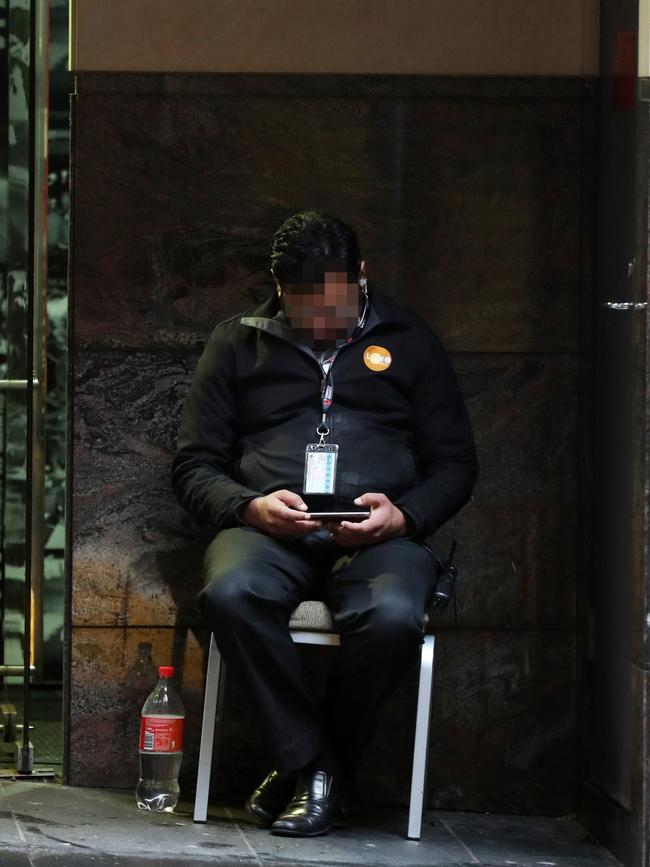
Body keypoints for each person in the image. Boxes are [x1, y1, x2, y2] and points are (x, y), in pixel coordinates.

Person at [171, 211, 478, 837]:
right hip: (266, 529)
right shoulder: (237, 341)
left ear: (361, 275)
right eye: (306, 307)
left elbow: (456, 463)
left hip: (379, 537)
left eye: (335, 306)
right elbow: (193, 464)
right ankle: (317, 766)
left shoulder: (410, 339)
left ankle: (301, 767)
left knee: (393, 617)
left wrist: (404, 516)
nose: (321, 323)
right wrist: (248, 507)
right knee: (230, 593)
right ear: (280, 288)